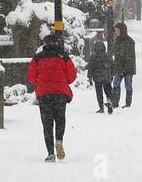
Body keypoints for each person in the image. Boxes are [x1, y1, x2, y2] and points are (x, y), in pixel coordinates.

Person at [26, 30, 77, 162]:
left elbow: (31, 76)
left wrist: (41, 83)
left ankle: (50, 153)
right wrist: (62, 81)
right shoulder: (64, 57)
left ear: (45, 44)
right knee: (60, 119)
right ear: (57, 43)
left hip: (44, 94)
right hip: (60, 93)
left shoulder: (38, 58)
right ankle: (59, 140)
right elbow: (72, 76)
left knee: (47, 123)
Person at [111, 22, 136, 108]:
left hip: (128, 67)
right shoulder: (116, 40)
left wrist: (124, 68)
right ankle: (115, 103)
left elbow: (129, 57)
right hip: (119, 67)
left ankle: (128, 104)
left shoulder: (130, 41)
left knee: (128, 84)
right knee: (116, 84)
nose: (115, 32)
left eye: (117, 30)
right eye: (115, 30)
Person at [87, 37, 115, 114]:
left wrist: (89, 77)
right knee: (108, 91)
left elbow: (91, 67)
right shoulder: (108, 56)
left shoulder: (93, 57)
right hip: (107, 78)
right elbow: (113, 66)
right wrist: (111, 75)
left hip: (97, 78)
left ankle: (101, 107)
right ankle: (109, 101)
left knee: (99, 93)